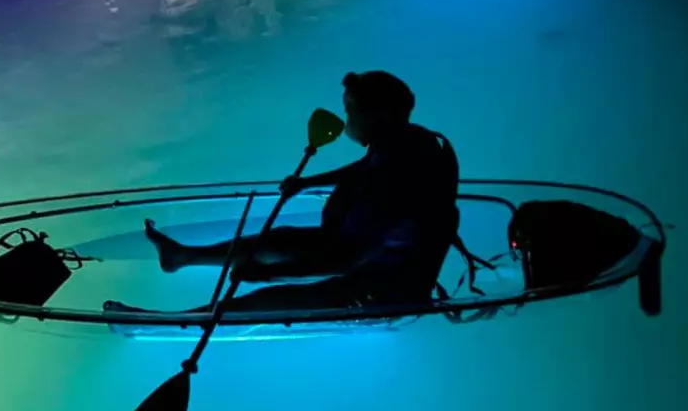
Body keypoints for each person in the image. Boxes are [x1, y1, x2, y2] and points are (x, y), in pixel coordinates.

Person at [106, 71, 462, 316]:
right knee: (280, 239)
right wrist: (307, 183)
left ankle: (184, 319)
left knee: (274, 296)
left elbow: (348, 260)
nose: (346, 119)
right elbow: (362, 170)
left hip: (387, 285)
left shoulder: (398, 177)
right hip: (354, 246)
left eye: (351, 110)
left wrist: (268, 274)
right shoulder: (407, 140)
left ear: (380, 116)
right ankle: (183, 256)